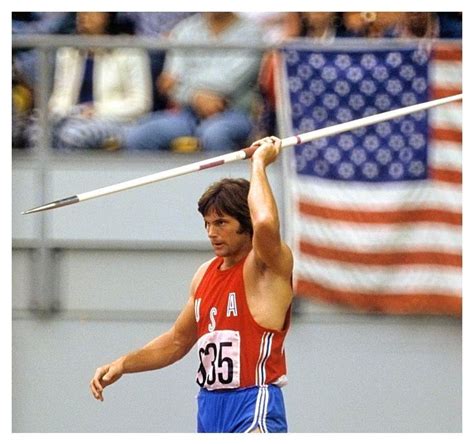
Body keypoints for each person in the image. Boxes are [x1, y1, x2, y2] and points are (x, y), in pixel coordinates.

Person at [90, 136, 294, 433]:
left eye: (221, 223)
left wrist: (259, 163)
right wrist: (124, 363)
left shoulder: (265, 267)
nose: (211, 233)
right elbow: (176, 341)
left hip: (254, 402)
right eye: (207, 224)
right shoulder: (204, 274)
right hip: (209, 407)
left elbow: (264, 222)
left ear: (244, 223)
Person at [123, 12, 263, 152]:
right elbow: (169, 85)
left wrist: (187, 84)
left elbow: (230, 82)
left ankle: (227, 174)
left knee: (215, 135)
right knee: (139, 135)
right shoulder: (185, 29)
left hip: (234, 112)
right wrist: (194, 97)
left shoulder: (252, 33)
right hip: (187, 113)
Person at [29, 12, 152, 150]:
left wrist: (97, 109)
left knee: (71, 136)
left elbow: (141, 104)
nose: (83, 16)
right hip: (72, 115)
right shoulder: (68, 50)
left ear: (108, 16)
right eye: (81, 12)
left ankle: (70, 172)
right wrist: (54, 112)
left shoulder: (130, 50)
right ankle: (43, 172)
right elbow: (60, 96)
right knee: (36, 132)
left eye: (91, 11)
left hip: (115, 119)